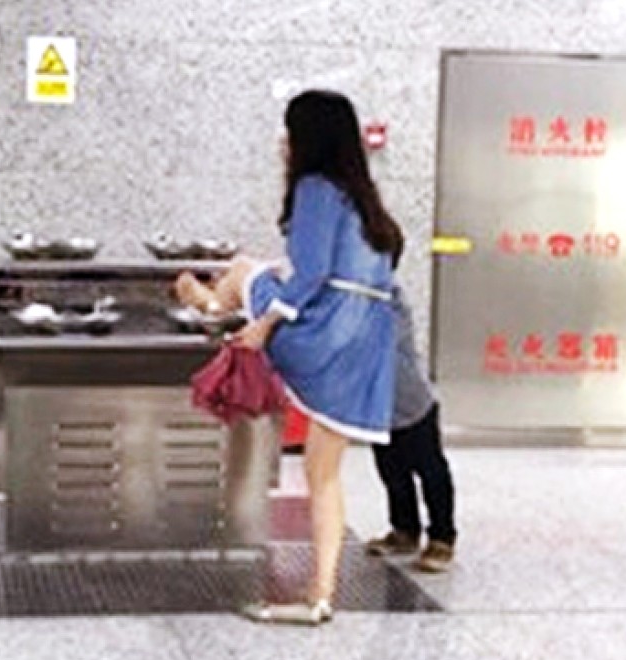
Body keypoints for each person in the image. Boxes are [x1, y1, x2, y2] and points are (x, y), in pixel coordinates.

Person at [174, 89, 403, 625]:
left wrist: (263, 324)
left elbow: (314, 273)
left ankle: (210, 303)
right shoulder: (364, 199)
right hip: (367, 344)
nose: (283, 141)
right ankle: (320, 595)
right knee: (324, 474)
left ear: (309, 138)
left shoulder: (316, 188)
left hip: (325, 333)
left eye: (289, 130)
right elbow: (336, 268)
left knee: (242, 268)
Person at [366, 282, 458, 572]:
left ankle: (442, 538)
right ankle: (405, 531)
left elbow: (379, 340)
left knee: (430, 470)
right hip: (380, 408)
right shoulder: (348, 294)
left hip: (413, 404)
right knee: (392, 471)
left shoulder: (390, 297)